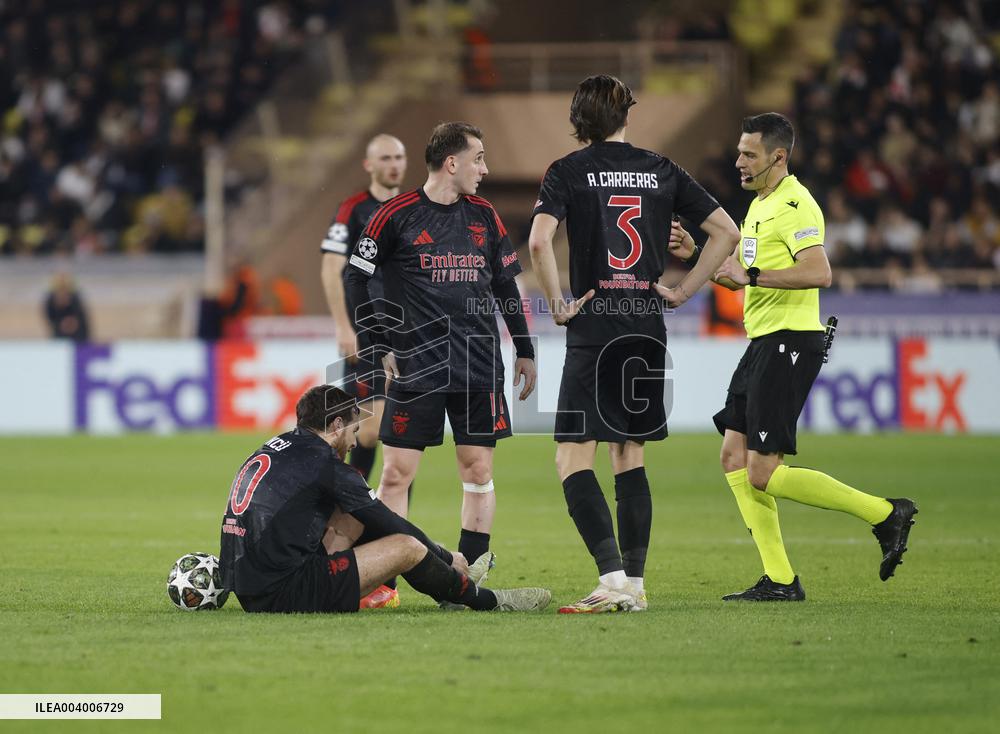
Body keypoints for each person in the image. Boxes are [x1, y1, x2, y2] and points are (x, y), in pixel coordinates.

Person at [668, 113, 918, 601]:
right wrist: (696, 250)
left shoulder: (797, 204)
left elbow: (819, 271)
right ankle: (780, 579)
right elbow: (739, 274)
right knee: (733, 456)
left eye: (749, 155)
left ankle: (886, 514)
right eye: (739, 152)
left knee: (761, 470)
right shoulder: (760, 206)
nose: (738, 162)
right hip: (765, 339)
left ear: (778, 157)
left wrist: (754, 279)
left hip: (790, 340)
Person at [527, 75, 740, 613]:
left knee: (572, 458)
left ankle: (612, 581)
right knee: (629, 455)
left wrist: (556, 304)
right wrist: (684, 291)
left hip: (595, 326)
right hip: (646, 323)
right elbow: (726, 233)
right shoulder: (662, 169)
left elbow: (538, 241)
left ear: (578, 121)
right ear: (628, 115)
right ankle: (636, 585)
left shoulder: (567, 171)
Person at [343, 122, 536, 605]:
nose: (486, 169)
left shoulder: (485, 216)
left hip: (478, 365)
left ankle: (467, 580)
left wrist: (526, 348)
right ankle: (384, 579)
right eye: (479, 159)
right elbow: (355, 276)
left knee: (477, 468)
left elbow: (506, 288)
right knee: (394, 475)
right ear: (452, 163)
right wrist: (376, 342)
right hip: (416, 367)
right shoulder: (395, 215)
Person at [218, 385, 550, 614]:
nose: (354, 442)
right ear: (336, 424)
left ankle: (449, 588)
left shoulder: (278, 445)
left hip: (247, 583)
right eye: (352, 430)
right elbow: (389, 523)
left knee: (355, 512)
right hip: (286, 591)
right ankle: (482, 599)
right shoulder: (327, 464)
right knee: (406, 547)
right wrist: (446, 556)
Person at [320, 134, 407, 485]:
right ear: (369, 165)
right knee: (367, 431)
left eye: (399, 157)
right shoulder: (353, 208)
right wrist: (343, 326)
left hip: (409, 333)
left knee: (402, 436)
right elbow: (330, 267)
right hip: (367, 331)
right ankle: (352, 505)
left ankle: (394, 523)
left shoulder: (416, 207)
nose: (394, 165)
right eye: (385, 158)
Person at [43, 273, 90, 341]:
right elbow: (50, 319)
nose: (62, 293)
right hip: (59, 335)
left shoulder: (76, 301)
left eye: (64, 290)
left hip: (79, 336)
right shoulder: (50, 302)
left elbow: (82, 320)